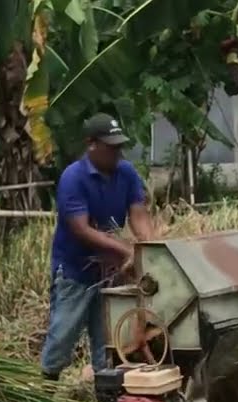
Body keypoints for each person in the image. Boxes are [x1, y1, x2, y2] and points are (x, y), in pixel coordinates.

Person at [41, 113, 155, 381]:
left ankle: (106, 395)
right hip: (75, 271)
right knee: (63, 334)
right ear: (91, 144)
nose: (117, 152)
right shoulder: (73, 178)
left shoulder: (126, 172)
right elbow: (81, 230)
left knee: (108, 338)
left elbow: (138, 213)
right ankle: (46, 389)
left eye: (119, 146)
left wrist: (150, 248)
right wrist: (126, 251)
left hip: (109, 273)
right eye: (111, 146)